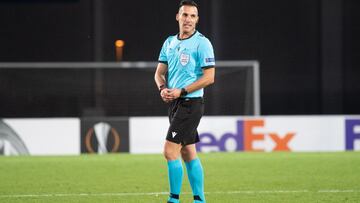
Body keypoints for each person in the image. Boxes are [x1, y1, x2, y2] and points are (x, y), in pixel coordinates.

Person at [154, 0, 215, 202]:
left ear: (197, 19)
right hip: (175, 104)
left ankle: (173, 199)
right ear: (178, 16)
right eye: (185, 15)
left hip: (191, 104)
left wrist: (181, 90)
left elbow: (209, 77)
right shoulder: (169, 42)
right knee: (188, 152)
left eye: (192, 16)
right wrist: (163, 89)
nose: (188, 19)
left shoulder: (202, 43)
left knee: (170, 151)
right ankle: (199, 199)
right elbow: (159, 74)